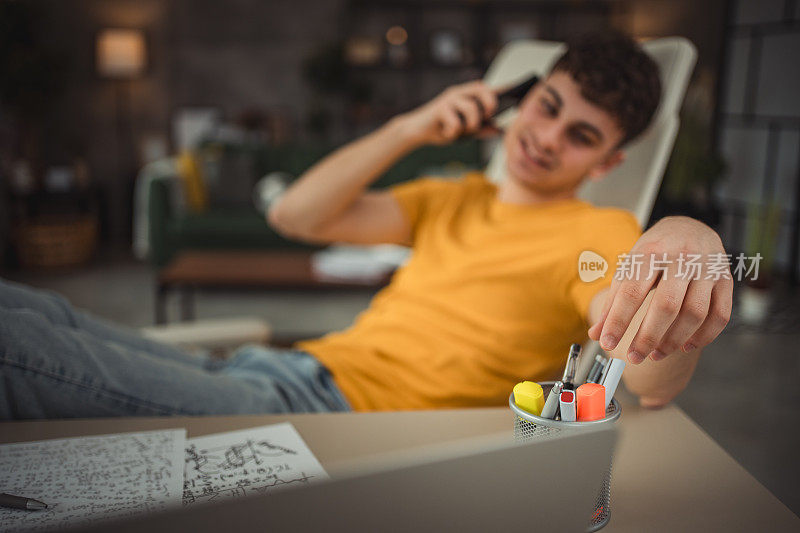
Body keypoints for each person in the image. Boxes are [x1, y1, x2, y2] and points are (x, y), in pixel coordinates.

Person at [0, 32, 731, 420]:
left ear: (608, 162)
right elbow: (295, 214)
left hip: (333, 419)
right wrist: (412, 126)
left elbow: (649, 383)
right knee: (37, 309)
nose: (546, 138)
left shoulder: (600, 233)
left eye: (580, 135)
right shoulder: (455, 196)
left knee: (17, 350)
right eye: (547, 106)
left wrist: (693, 245)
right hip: (284, 370)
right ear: (520, 98)